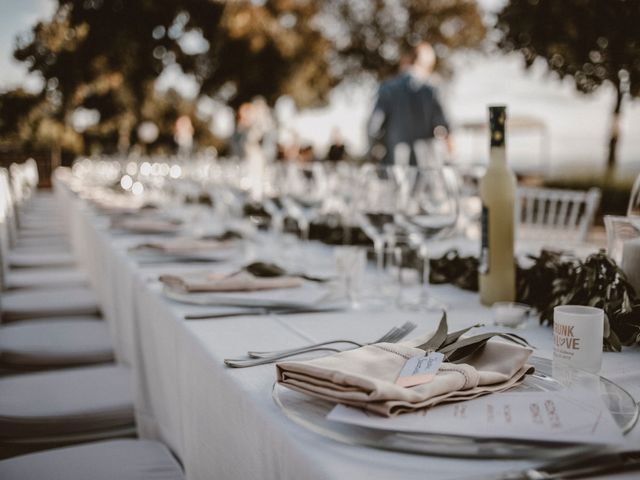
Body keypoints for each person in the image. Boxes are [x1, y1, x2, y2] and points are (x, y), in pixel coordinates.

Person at [368, 42, 451, 166]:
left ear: (406, 59)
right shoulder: (433, 88)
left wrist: (376, 149)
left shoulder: (388, 88)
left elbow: (373, 127)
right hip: (429, 166)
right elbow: (444, 126)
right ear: (428, 64)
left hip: (395, 165)